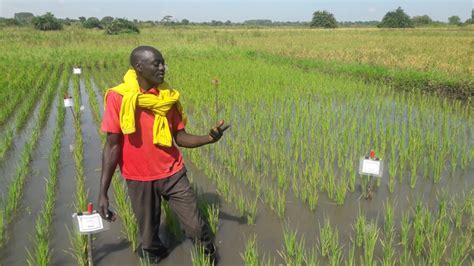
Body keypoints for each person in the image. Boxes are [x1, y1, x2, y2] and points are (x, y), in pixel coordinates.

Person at [98, 45, 229, 263]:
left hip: (172, 172)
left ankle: (211, 259)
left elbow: (180, 137)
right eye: (156, 63)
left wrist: (208, 138)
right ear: (139, 67)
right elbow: (112, 146)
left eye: (163, 63)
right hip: (139, 178)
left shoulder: (167, 98)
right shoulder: (118, 97)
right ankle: (158, 256)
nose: (162, 68)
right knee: (148, 240)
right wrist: (103, 192)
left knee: (196, 228)